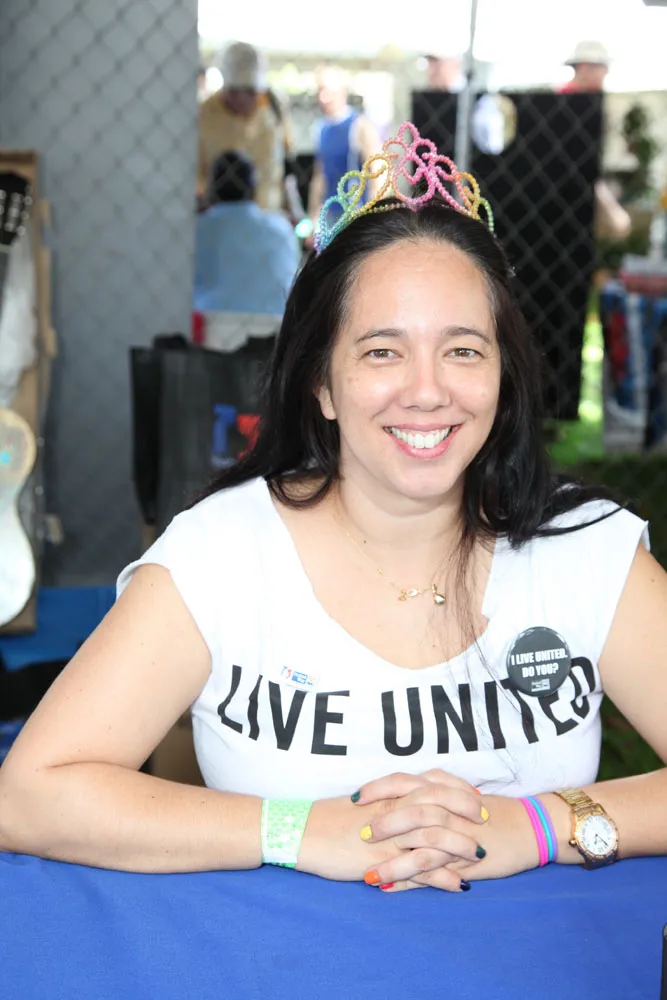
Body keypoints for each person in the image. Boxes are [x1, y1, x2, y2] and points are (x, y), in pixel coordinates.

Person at [1, 122, 666, 894]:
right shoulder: (222, 552)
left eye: (462, 350)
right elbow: (31, 793)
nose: (426, 390)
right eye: (382, 351)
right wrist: (297, 829)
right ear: (320, 383)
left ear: (502, 376)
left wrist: (542, 825)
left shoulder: (584, 548)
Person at [193, 150, 299, 322]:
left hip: (209, 323)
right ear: (253, 188)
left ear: (211, 189)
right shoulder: (280, 229)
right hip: (274, 325)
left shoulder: (197, 229)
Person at [198, 41, 297, 216]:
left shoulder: (273, 109)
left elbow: (285, 168)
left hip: (269, 218)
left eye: (252, 91)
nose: (245, 99)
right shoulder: (204, 116)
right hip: (221, 220)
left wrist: (293, 209)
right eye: (236, 91)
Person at [557, 40, 631, 242]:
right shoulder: (564, 105)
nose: (605, 74)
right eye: (602, 68)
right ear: (583, 67)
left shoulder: (591, 106)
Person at [307, 65, 383, 231]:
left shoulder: (359, 125)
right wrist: (313, 214)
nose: (323, 97)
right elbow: (320, 175)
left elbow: (378, 170)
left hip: (355, 212)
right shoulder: (321, 129)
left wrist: (373, 213)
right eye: (319, 91)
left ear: (342, 91)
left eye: (328, 90)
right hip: (330, 213)